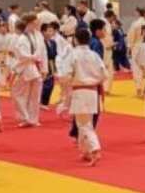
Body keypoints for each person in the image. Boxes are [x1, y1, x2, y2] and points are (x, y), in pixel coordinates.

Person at [63, 28, 107, 166]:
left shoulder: (73, 54)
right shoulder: (95, 55)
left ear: (75, 40)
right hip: (93, 91)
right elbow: (104, 75)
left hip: (80, 91)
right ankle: (86, 151)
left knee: (83, 124)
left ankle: (95, 148)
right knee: (85, 122)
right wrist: (94, 81)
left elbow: (66, 74)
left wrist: (69, 83)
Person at [11, 13, 46, 127]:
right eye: (35, 21)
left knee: (35, 95)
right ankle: (25, 117)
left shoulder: (39, 35)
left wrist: (44, 68)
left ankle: (33, 119)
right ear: (29, 23)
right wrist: (34, 57)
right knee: (20, 94)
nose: (38, 23)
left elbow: (43, 52)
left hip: (36, 67)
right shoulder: (21, 37)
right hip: (24, 67)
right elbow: (21, 55)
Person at [127, 6, 145, 98]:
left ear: (138, 13)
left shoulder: (136, 24)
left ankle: (139, 90)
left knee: (137, 69)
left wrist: (129, 47)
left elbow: (131, 37)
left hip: (137, 46)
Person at [39, 23, 58, 111]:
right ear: (43, 32)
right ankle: (41, 101)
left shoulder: (53, 42)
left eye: (52, 31)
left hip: (51, 64)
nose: (51, 33)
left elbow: (55, 55)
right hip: (43, 63)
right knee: (44, 84)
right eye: (49, 31)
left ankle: (45, 102)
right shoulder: (40, 42)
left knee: (51, 84)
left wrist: (55, 67)